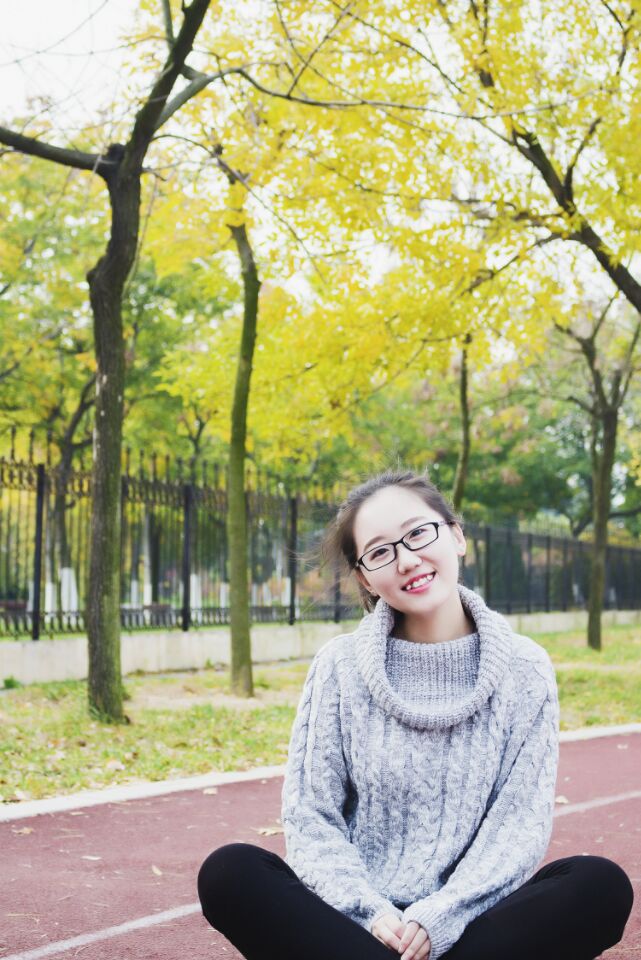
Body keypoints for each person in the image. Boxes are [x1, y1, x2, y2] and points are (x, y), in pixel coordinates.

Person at [198, 470, 633, 960]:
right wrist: (371, 913)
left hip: (473, 926)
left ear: (457, 535)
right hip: (360, 928)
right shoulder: (339, 666)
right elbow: (312, 816)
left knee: (600, 885)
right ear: (364, 576)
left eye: (419, 533)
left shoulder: (525, 668)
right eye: (380, 552)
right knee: (230, 871)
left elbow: (518, 826)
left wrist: (441, 915)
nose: (407, 559)